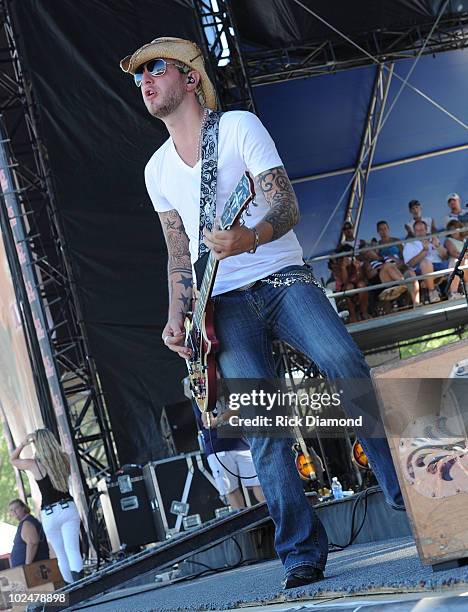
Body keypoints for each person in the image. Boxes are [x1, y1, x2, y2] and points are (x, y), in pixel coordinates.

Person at [120, 36, 404, 589]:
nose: (146, 81)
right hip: (220, 302)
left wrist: (247, 237)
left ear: (191, 77)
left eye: (156, 68)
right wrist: (177, 315)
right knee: (263, 428)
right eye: (138, 76)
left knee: (344, 364)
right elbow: (179, 252)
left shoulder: (238, 128)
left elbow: (285, 203)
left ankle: (407, 496)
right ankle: (300, 551)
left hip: (281, 277)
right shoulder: (156, 170)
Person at [10, 429, 83, 584]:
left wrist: (24, 443)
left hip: (49, 514)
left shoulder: (34, 464)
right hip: (67, 508)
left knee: (61, 555)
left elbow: (13, 460)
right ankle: (81, 584)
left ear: (38, 444)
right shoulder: (64, 458)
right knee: (72, 550)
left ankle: (73, 589)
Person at [191, 399, 265, 508]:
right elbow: (206, 421)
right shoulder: (199, 389)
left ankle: (274, 517)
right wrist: (207, 409)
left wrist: (219, 419)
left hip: (241, 441)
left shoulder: (229, 383)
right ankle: (244, 520)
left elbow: (240, 407)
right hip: (217, 446)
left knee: (258, 483)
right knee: (231, 489)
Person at [403, 219, 448, 303]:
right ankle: (432, 292)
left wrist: (437, 246)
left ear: (426, 230)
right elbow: (410, 264)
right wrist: (424, 251)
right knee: (425, 262)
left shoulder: (434, 239)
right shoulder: (410, 244)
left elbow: (445, 257)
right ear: (414, 232)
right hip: (422, 269)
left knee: (455, 261)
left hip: (439, 266)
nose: (419, 232)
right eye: (417, 230)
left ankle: (455, 291)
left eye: (422, 230)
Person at [8, 499, 49, 568]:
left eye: (16, 508)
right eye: (11, 510)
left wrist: (27, 567)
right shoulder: (25, 522)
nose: (14, 511)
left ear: (23, 508)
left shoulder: (27, 523)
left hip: (33, 570)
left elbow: (33, 543)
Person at [444, 219, 467, 299]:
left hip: (465, 260)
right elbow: (453, 252)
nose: (454, 231)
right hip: (457, 261)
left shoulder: (465, 240)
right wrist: (464, 256)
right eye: (451, 230)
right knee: (458, 262)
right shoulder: (448, 240)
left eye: (455, 228)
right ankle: (453, 293)